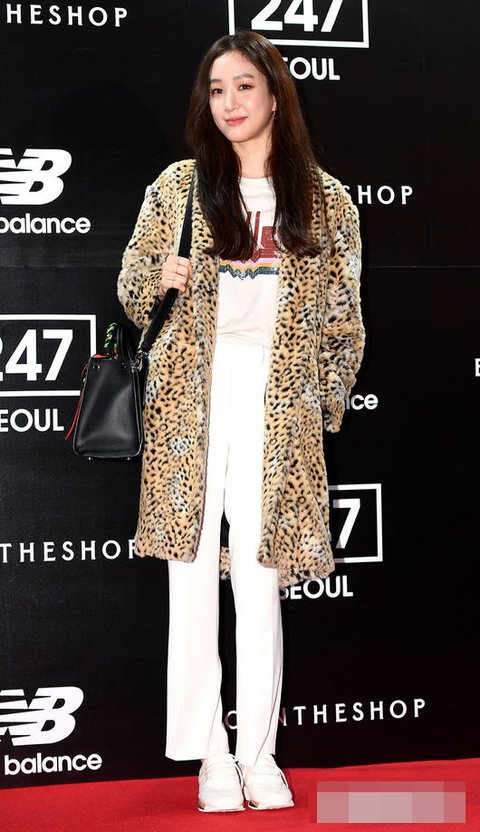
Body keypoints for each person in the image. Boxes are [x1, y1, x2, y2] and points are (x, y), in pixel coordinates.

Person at [117, 29, 365, 814]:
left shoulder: (324, 199)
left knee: (260, 578)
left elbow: (344, 322)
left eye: (244, 87)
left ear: (275, 95)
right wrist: (157, 279)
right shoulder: (179, 186)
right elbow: (133, 288)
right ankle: (211, 756)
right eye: (216, 89)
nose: (229, 102)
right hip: (191, 401)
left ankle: (260, 755)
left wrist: (319, 408)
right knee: (190, 576)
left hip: (277, 406)